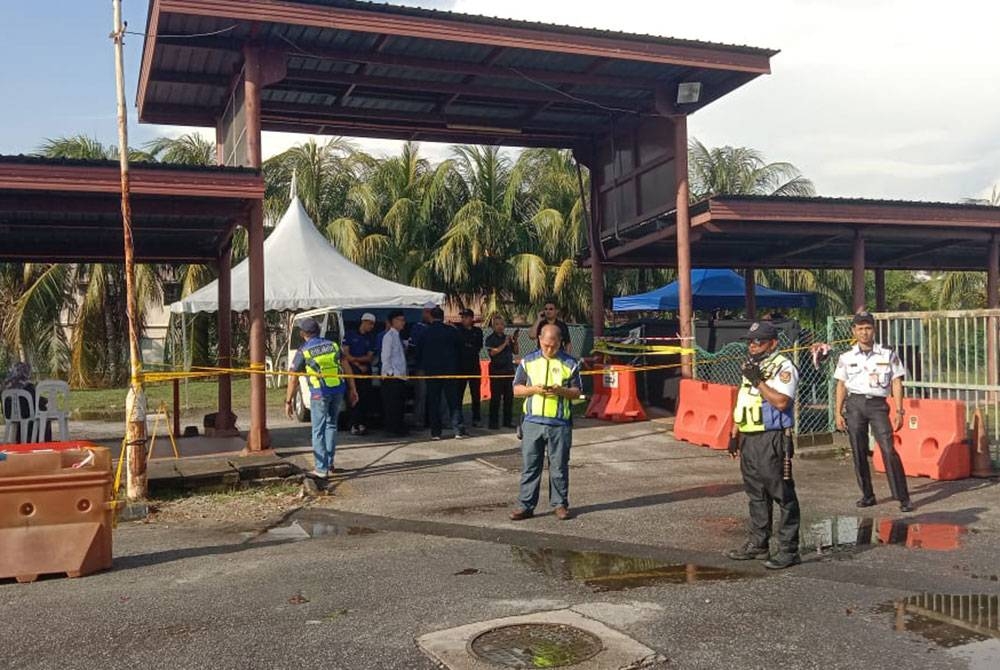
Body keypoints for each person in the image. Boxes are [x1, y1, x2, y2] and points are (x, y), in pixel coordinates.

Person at [725, 321, 801, 570]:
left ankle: (789, 549)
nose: (753, 346)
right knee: (755, 493)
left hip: (772, 437)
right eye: (750, 341)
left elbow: (781, 402)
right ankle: (759, 543)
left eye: (758, 342)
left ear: (773, 343)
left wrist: (758, 382)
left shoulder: (783, 367)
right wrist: (735, 431)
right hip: (750, 437)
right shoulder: (753, 367)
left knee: (781, 493)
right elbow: (744, 399)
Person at [834, 310, 912, 512]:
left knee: (888, 448)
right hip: (855, 405)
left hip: (878, 405)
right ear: (854, 331)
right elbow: (841, 385)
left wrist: (899, 410)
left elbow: (896, 382)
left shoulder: (887, 354)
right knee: (858, 451)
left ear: (874, 330)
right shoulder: (846, 356)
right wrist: (837, 412)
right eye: (860, 329)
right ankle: (867, 495)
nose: (864, 333)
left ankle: (902, 497)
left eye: (868, 328)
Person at [509, 324, 582, 521]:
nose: (549, 349)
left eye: (554, 345)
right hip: (532, 422)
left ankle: (560, 504)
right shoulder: (528, 361)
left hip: (560, 423)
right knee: (530, 466)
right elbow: (516, 389)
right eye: (546, 344)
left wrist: (561, 391)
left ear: (560, 342)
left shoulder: (570, 363)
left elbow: (577, 392)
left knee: (559, 466)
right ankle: (526, 505)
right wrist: (534, 389)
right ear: (539, 339)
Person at [286, 317, 358, 479]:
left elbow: (293, 378)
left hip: (319, 393)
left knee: (317, 430)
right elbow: (346, 367)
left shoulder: (304, 350)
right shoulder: (333, 345)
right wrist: (353, 389)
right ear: (318, 331)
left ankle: (320, 469)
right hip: (338, 389)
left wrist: (288, 401)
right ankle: (330, 463)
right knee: (331, 425)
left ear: (303, 333)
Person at [417, 306, 466, 440]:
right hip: (450, 371)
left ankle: (436, 432)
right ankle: (457, 429)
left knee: (434, 401)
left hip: (432, 371)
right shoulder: (451, 331)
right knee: (453, 401)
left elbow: (419, 351)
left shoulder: (425, 332)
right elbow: (460, 347)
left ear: (431, 317)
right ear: (443, 317)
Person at [343, 313, 377, 436]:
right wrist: (357, 363)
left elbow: (369, 357)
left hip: (365, 371)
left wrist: (357, 360)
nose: (371, 327)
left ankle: (362, 423)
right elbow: (346, 354)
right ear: (364, 322)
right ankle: (353, 424)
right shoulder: (350, 334)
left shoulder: (370, 337)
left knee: (365, 398)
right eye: (370, 324)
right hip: (352, 371)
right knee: (353, 397)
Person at [484, 315, 518, 429]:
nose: (500, 327)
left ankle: (507, 421)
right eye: (497, 324)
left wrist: (515, 340)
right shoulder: (490, 339)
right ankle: (493, 423)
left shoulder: (507, 338)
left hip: (508, 371)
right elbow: (493, 353)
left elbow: (516, 351)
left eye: (502, 324)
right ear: (493, 326)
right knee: (495, 398)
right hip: (496, 371)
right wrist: (505, 343)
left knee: (509, 398)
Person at [380, 310, 409, 437]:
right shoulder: (389, 336)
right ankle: (392, 428)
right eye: (400, 320)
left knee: (399, 403)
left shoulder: (398, 336)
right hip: (392, 376)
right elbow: (385, 356)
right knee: (392, 404)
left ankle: (398, 426)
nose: (403, 322)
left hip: (401, 375)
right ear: (393, 321)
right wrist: (389, 372)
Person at [1, 361, 47, 442]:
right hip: (26, 414)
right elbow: (37, 400)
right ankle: (41, 441)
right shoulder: (28, 386)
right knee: (43, 413)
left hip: (9, 415)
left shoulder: (5, 386)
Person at [409, 302, 436, 428]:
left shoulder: (436, 327)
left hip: (434, 367)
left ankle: (431, 420)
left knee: (433, 395)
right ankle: (418, 421)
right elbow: (413, 347)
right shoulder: (417, 327)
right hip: (421, 367)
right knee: (421, 395)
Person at [457, 308, 484, 427]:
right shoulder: (458, 330)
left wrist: (468, 345)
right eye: (462, 317)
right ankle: (459, 418)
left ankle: (476, 418)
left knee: (475, 394)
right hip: (461, 366)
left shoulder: (477, 331)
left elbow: (477, 346)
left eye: (466, 317)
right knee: (459, 394)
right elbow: (459, 345)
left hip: (474, 366)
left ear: (471, 318)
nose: (463, 319)